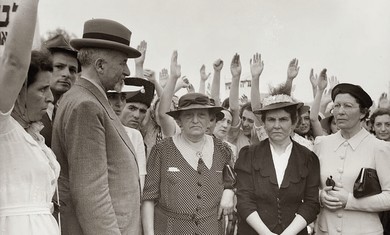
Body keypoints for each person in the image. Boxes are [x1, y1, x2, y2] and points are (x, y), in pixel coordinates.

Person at [51, 19, 142, 235]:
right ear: (100, 65)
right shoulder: (86, 106)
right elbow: (91, 196)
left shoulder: (87, 99)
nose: (127, 71)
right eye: (123, 62)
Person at [0, 1, 60, 234]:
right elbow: (14, 62)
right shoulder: (4, 128)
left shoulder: (35, 138)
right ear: (19, 89)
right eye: (42, 89)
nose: (50, 97)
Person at [141, 92, 235, 235]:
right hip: (171, 230)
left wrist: (229, 191)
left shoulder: (223, 149)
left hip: (211, 229)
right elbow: (148, 198)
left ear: (210, 119)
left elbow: (232, 179)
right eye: (189, 115)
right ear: (179, 121)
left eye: (201, 115)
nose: (195, 120)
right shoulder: (162, 150)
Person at [235, 92, 320, 235]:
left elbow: (311, 203)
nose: (276, 125)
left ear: (294, 122)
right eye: (271, 119)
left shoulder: (308, 158)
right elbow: (244, 200)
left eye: (283, 119)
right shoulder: (248, 155)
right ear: (264, 123)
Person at [314, 83, 390, 235]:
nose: (340, 111)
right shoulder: (321, 143)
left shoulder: (379, 147)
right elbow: (307, 187)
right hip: (325, 230)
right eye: (337, 106)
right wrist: (320, 196)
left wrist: (350, 201)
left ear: (363, 113)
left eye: (348, 106)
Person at [40, 34, 79, 147]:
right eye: (59, 67)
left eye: (72, 70)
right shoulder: (25, 109)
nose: (66, 74)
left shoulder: (66, 113)